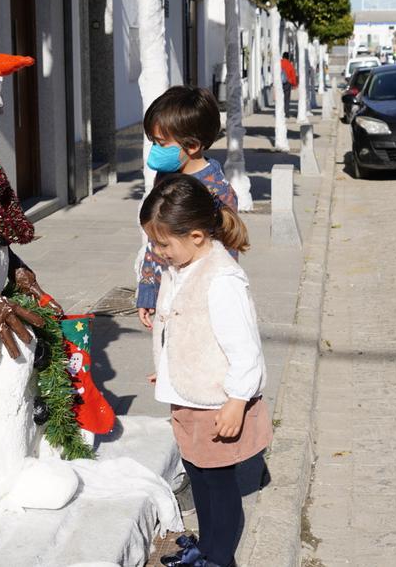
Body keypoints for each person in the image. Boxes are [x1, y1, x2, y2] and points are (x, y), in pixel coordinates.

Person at [140, 174, 270, 567]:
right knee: (197, 475)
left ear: (196, 236)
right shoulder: (182, 267)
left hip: (215, 402)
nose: (158, 251)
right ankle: (208, 545)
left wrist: (236, 402)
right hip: (188, 395)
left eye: (163, 243)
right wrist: (167, 367)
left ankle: (219, 557)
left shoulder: (222, 279)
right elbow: (184, 329)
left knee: (218, 484)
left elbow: (246, 350)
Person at [137, 86, 237, 330]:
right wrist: (148, 290)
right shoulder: (164, 176)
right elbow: (155, 240)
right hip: (166, 293)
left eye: (161, 143)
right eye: (153, 142)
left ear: (192, 146)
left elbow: (227, 251)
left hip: (199, 300)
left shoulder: (217, 191)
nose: (154, 151)